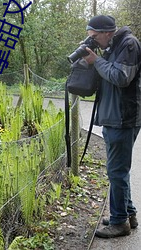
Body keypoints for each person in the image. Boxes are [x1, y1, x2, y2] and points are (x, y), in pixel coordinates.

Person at [83, 15, 141, 238]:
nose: (94, 41)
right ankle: (128, 214)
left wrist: (96, 61)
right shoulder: (112, 46)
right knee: (118, 171)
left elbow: (120, 77)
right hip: (113, 117)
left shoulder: (129, 44)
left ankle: (119, 223)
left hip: (123, 118)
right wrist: (93, 60)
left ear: (107, 32)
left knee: (116, 171)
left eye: (95, 37)